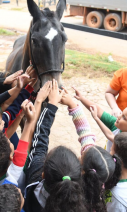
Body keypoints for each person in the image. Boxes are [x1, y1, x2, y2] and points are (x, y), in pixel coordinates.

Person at [23, 80, 88, 212]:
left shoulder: (34, 182)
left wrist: (50, 104)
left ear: (42, 175)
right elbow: (87, 137)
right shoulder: (88, 199)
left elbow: (39, 142)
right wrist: (72, 104)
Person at [60, 88, 123, 211]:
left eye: (82, 155)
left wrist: (73, 105)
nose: (80, 155)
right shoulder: (102, 184)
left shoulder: (69, 188)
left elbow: (85, 132)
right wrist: (72, 104)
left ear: (82, 168)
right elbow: (86, 134)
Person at [72, 87, 127, 179]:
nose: (119, 116)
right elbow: (98, 110)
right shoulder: (116, 125)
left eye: (124, 118)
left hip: (117, 175)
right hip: (107, 167)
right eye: (121, 113)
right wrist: (82, 98)